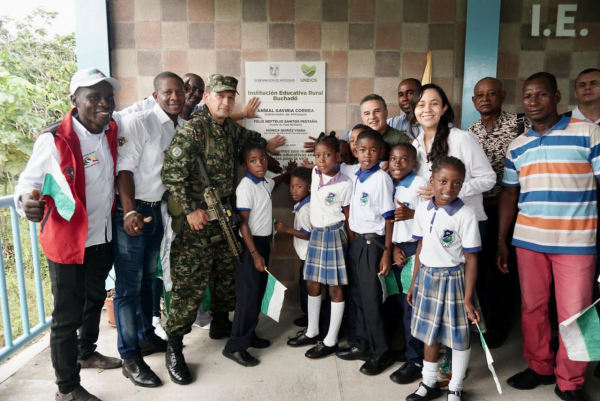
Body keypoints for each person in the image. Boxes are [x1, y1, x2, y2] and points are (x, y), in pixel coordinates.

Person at [160, 74, 286, 384]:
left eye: (231, 97)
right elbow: (171, 174)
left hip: (225, 219)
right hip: (197, 223)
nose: (227, 101)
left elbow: (250, 140)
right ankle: (175, 346)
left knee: (225, 278)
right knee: (189, 286)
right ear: (207, 97)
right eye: (221, 96)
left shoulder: (230, 129)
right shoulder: (193, 130)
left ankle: (221, 325)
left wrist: (266, 146)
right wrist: (190, 210)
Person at [14, 68, 122, 401]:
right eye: (94, 97)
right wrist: (24, 205)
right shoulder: (54, 139)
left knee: (93, 301)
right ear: (74, 100)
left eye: (108, 96)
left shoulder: (110, 129)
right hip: (68, 243)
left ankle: (86, 352)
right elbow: (27, 186)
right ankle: (67, 388)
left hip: (101, 237)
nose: (104, 103)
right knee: (66, 315)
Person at [498, 72, 600, 401]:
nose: (533, 102)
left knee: (575, 313)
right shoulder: (518, 145)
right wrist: (502, 239)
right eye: (527, 96)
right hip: (528, 241)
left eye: (540, 95)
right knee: (532, 308)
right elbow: (510, 196)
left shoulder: (589, 133)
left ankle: (570, 382)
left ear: (557, 97)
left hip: (577, 243)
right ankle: (539, 366)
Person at [409, 83, 495, 387]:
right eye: (421, 104)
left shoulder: (461, 138)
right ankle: (435, 368)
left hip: (463, 223)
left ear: (445, 108)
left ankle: (454, 368)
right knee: (435, 303)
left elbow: (488, 177)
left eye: (434, 103)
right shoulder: (417, 141)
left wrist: (449, 191)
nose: (427, 110)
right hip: (431, 225)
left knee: (460, 299)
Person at [113, 71, 186, 387]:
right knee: (128, 287)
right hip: (132, 212)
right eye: (168, 92)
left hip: (157, 211)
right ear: (155, 95)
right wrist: (129, 209)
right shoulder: (139, 122)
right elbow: (124, 169)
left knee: (146, 280)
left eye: (179, 92)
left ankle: (145, 336)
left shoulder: (181, 127)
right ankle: (130, 357)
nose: (174, 97)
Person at [406, 156, 483, 401]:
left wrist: (468, 298)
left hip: (455, 281)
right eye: (443, 181)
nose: (449, 188)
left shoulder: (465, 215)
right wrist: (413, 282)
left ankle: (455, 388)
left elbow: (471, 259)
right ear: (432, 181)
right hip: (427, 277)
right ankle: (429, 383)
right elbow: (420, 247)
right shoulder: (421, 209)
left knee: (458, 336)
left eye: (457, 183)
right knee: (430, 333)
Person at [222, 144, 294, 366]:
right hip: (249, 245)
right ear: (245, 165)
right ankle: (235, 346)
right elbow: (243, 225)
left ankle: (249, 334)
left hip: (262, 243)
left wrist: (288, 174)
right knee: (248, 297)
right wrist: (254, 254)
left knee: (258, 293)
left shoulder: (263, 182)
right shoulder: (245, 187)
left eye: (263, 159)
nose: (260, 164)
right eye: (253, 161)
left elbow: (275, 182)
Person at [468, 77, 526, 348]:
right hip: (480, 210)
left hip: (512, 209)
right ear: (473, 101)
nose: (486, 99)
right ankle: (482, 321)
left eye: (492, 94)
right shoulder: (471, 131)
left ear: (502, 96)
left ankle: (501, 326)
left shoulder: (520, 124)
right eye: (480, 95)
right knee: (481, 270)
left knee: (504, 268)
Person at [336, 130, 396, 376]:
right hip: (358, 243)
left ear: (380, 152)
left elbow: (389, 218)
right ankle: (362, 343)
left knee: (371, 301)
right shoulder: (359, 175)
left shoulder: (381, 178)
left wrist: (387, 252)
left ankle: (381, 352)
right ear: (355, 151)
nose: (367, 155)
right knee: (359, 296)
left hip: (374, 245)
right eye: (362, 150)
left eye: (373, 150)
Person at [287, 133, 352, 359]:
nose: (322, 160)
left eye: (327, 155)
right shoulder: (314, 174)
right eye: (317, 155)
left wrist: (350, 247)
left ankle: (331, 339)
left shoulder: (345, 183)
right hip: (316, 235)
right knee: (312, 284)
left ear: (337, 156)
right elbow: (312, 167)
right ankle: (313, 331)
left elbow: (348, 216)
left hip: (334, 236)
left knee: (334, 288)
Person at [387, 143, 428, 385]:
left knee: (413, 307)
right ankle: (408, 352)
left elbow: (430, 216)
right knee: (401, 305)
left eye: (404, 160)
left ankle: (417, 360)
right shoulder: (388, 183)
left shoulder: (420, 184)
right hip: (396, 250)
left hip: (416, 249)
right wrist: (392, 248)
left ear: (414, 163)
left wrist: (413, 215)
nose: (398, 164)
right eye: (393, 159)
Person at [274, 167, 313, 327]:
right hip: (305, 256)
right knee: (304, 287)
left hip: (309, 257)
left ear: (309, 187)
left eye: (298, 186)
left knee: (307, 289)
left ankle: (310, 317)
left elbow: (308, 234)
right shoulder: (302, 205)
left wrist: (286, 229)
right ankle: (308, 315)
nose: (293, 190)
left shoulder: (306, 209)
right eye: (291, 186)